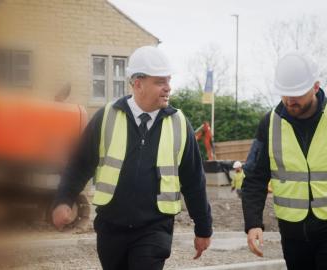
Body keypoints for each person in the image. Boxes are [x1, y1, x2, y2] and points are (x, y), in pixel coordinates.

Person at [52, 46, 212, 270]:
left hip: (154, 229)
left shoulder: (179, 124)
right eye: (160, 82)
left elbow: (194, 180)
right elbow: (80, 163)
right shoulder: (106, 117)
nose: (168, 88)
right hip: (111, 229)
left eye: (169, 80)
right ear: (138, 84)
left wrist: (203, 228)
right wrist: (63, 199)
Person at [242, 52, 327, 270]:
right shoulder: (270, 124)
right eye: (285, 94)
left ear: (315, 87)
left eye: (297, 94)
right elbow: (254, 178)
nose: (290, 100)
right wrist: (253, 224)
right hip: (293, 236)